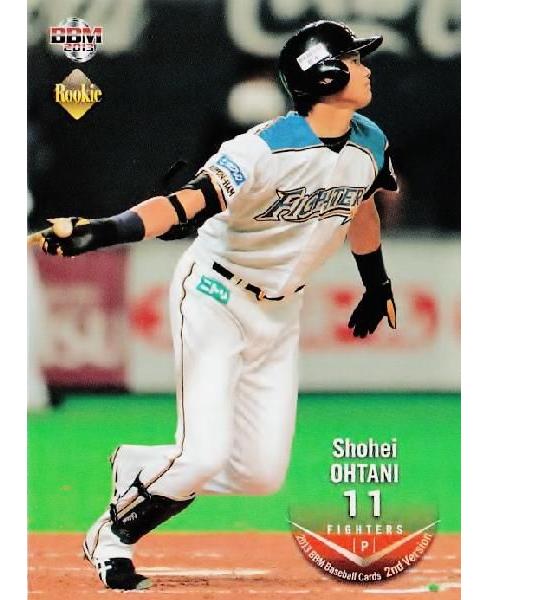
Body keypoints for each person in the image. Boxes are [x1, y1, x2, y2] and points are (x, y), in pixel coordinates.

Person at [33, 20, 398, 590]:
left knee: (259, 474)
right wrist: (104, 230)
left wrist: (376, 281)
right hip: (216, 295)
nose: (365, 67)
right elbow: (186, 203)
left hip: (281, 311)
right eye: (354, 59)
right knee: (201, 455)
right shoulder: (260, 149)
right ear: (326, 75)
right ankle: (112, 535)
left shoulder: (370, 141)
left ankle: (142, 467)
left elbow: (363, 206)